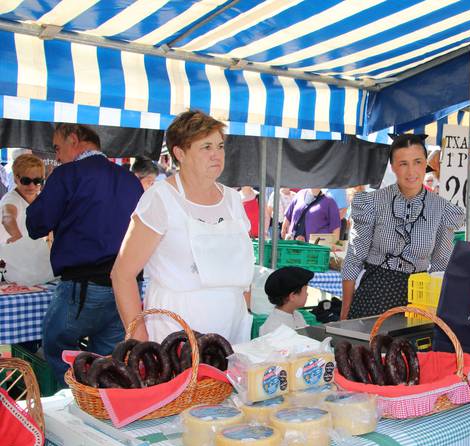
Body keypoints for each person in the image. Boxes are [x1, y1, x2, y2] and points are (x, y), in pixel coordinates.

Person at [111, 110, 255, 345]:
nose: (216, 155)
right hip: (174, 333)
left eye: (220, 146)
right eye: (206, 147)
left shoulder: (232, 200)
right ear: (180, 153)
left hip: (232, 331)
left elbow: (242, 269)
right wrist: (139, 338)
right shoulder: (160, 199)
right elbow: (122, 275)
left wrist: (245, 310)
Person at [26, 123, 143, 383]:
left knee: (58, 349)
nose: (57, 156)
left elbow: (37, 223)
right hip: (126, 288)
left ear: (74, 139)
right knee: (108, 362)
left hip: (83, 286)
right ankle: (98, 399)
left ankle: (74, 398)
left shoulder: (68, 174)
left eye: (57, 148)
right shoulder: (130, 179)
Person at [341, 134, 465, 320]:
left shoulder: (441, 208)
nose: (411, 171)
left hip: (419, 300)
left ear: (425, 164)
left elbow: (440, 266)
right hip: (373, 297)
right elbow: (354, 258)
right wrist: (345, 312)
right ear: (393, 167)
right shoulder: (372, 202)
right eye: (403, 163)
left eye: (417, 162)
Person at [0, 154, 45, 244]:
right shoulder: (11, 199)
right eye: (26, 181)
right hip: (10, 249)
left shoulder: (42, 198)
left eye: (37, 181)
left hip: (32, 249)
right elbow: (8, 216)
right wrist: (16, 235)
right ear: (15, 179)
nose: (32, 186)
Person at [259, 266, 313, 335]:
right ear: (293, 296)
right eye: (306, 291)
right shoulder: (275, 329)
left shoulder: (297, 315)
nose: (307, 294)